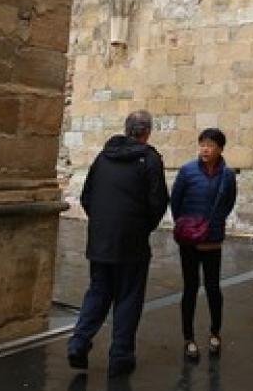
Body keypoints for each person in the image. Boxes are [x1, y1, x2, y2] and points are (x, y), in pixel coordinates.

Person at [68, 110, 169, 377]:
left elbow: (87, 196)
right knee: (128, 297)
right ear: (146, 132)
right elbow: (158, 202)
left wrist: (102, 224)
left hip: (100, 240)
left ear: (127, 129)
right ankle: (121, 355)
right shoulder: (149, 159)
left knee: (98, 291)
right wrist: (140, 227)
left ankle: (79, 342)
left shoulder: (103, 157)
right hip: (131, 241)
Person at [170, 128, 238, 360]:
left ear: (220, 148)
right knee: (190, 287)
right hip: (189, 240)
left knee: (212, 288)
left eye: (209, 145)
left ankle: (215, 332)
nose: (205, 149)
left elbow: (228, 203)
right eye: (202, 144)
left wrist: (212, 224)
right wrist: (188, 224)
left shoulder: (227, 175)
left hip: (212, 239)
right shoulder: (187, 171)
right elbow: (175, 203)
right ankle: (188, 337)